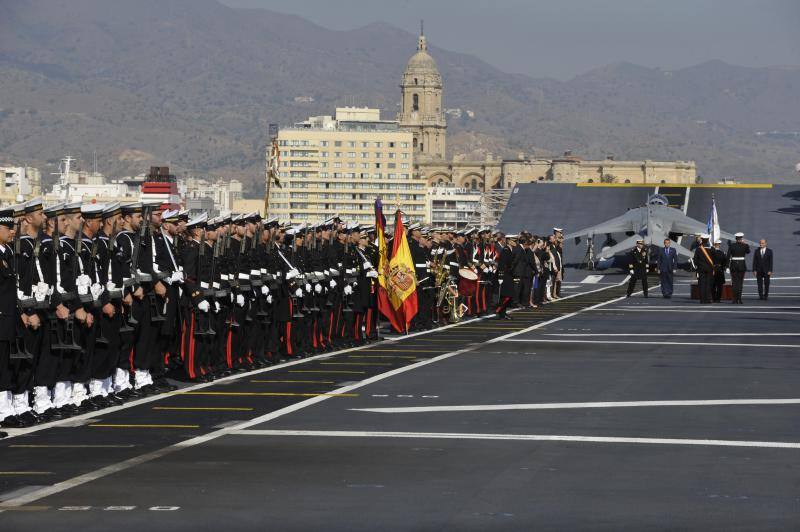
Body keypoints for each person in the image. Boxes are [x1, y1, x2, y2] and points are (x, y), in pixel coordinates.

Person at [726, 232, 750, 304]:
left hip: (733, 265)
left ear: (736, 238)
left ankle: (734, 299)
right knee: (740, 283)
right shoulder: (745, 245)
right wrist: (745, 244)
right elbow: (748, 252)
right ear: (741, 238)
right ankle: (739, 299)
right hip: (741, 265)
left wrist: (727, 266)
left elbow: (728, 256)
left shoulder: (732, 246)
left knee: (734, 283)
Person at [693, 234, 714, 304]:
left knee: (701, 284)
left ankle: (702, 300)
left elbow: (695, 260)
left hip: (701, 269)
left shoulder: (698, 249)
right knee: (708, 284)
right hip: (709, 269)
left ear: (701, 239)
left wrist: (697, 266)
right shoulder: (711, 249)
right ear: (708, 240)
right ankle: (708, 299)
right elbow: (715, 259)